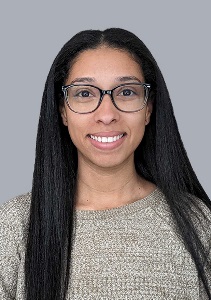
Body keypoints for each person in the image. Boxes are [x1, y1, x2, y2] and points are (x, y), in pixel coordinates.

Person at [0, 28, 210, 300]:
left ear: (148, 108)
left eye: (126, 92)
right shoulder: (15, 225)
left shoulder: (198, 222)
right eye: (85, 94)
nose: (107, 114)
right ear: (62, 110)